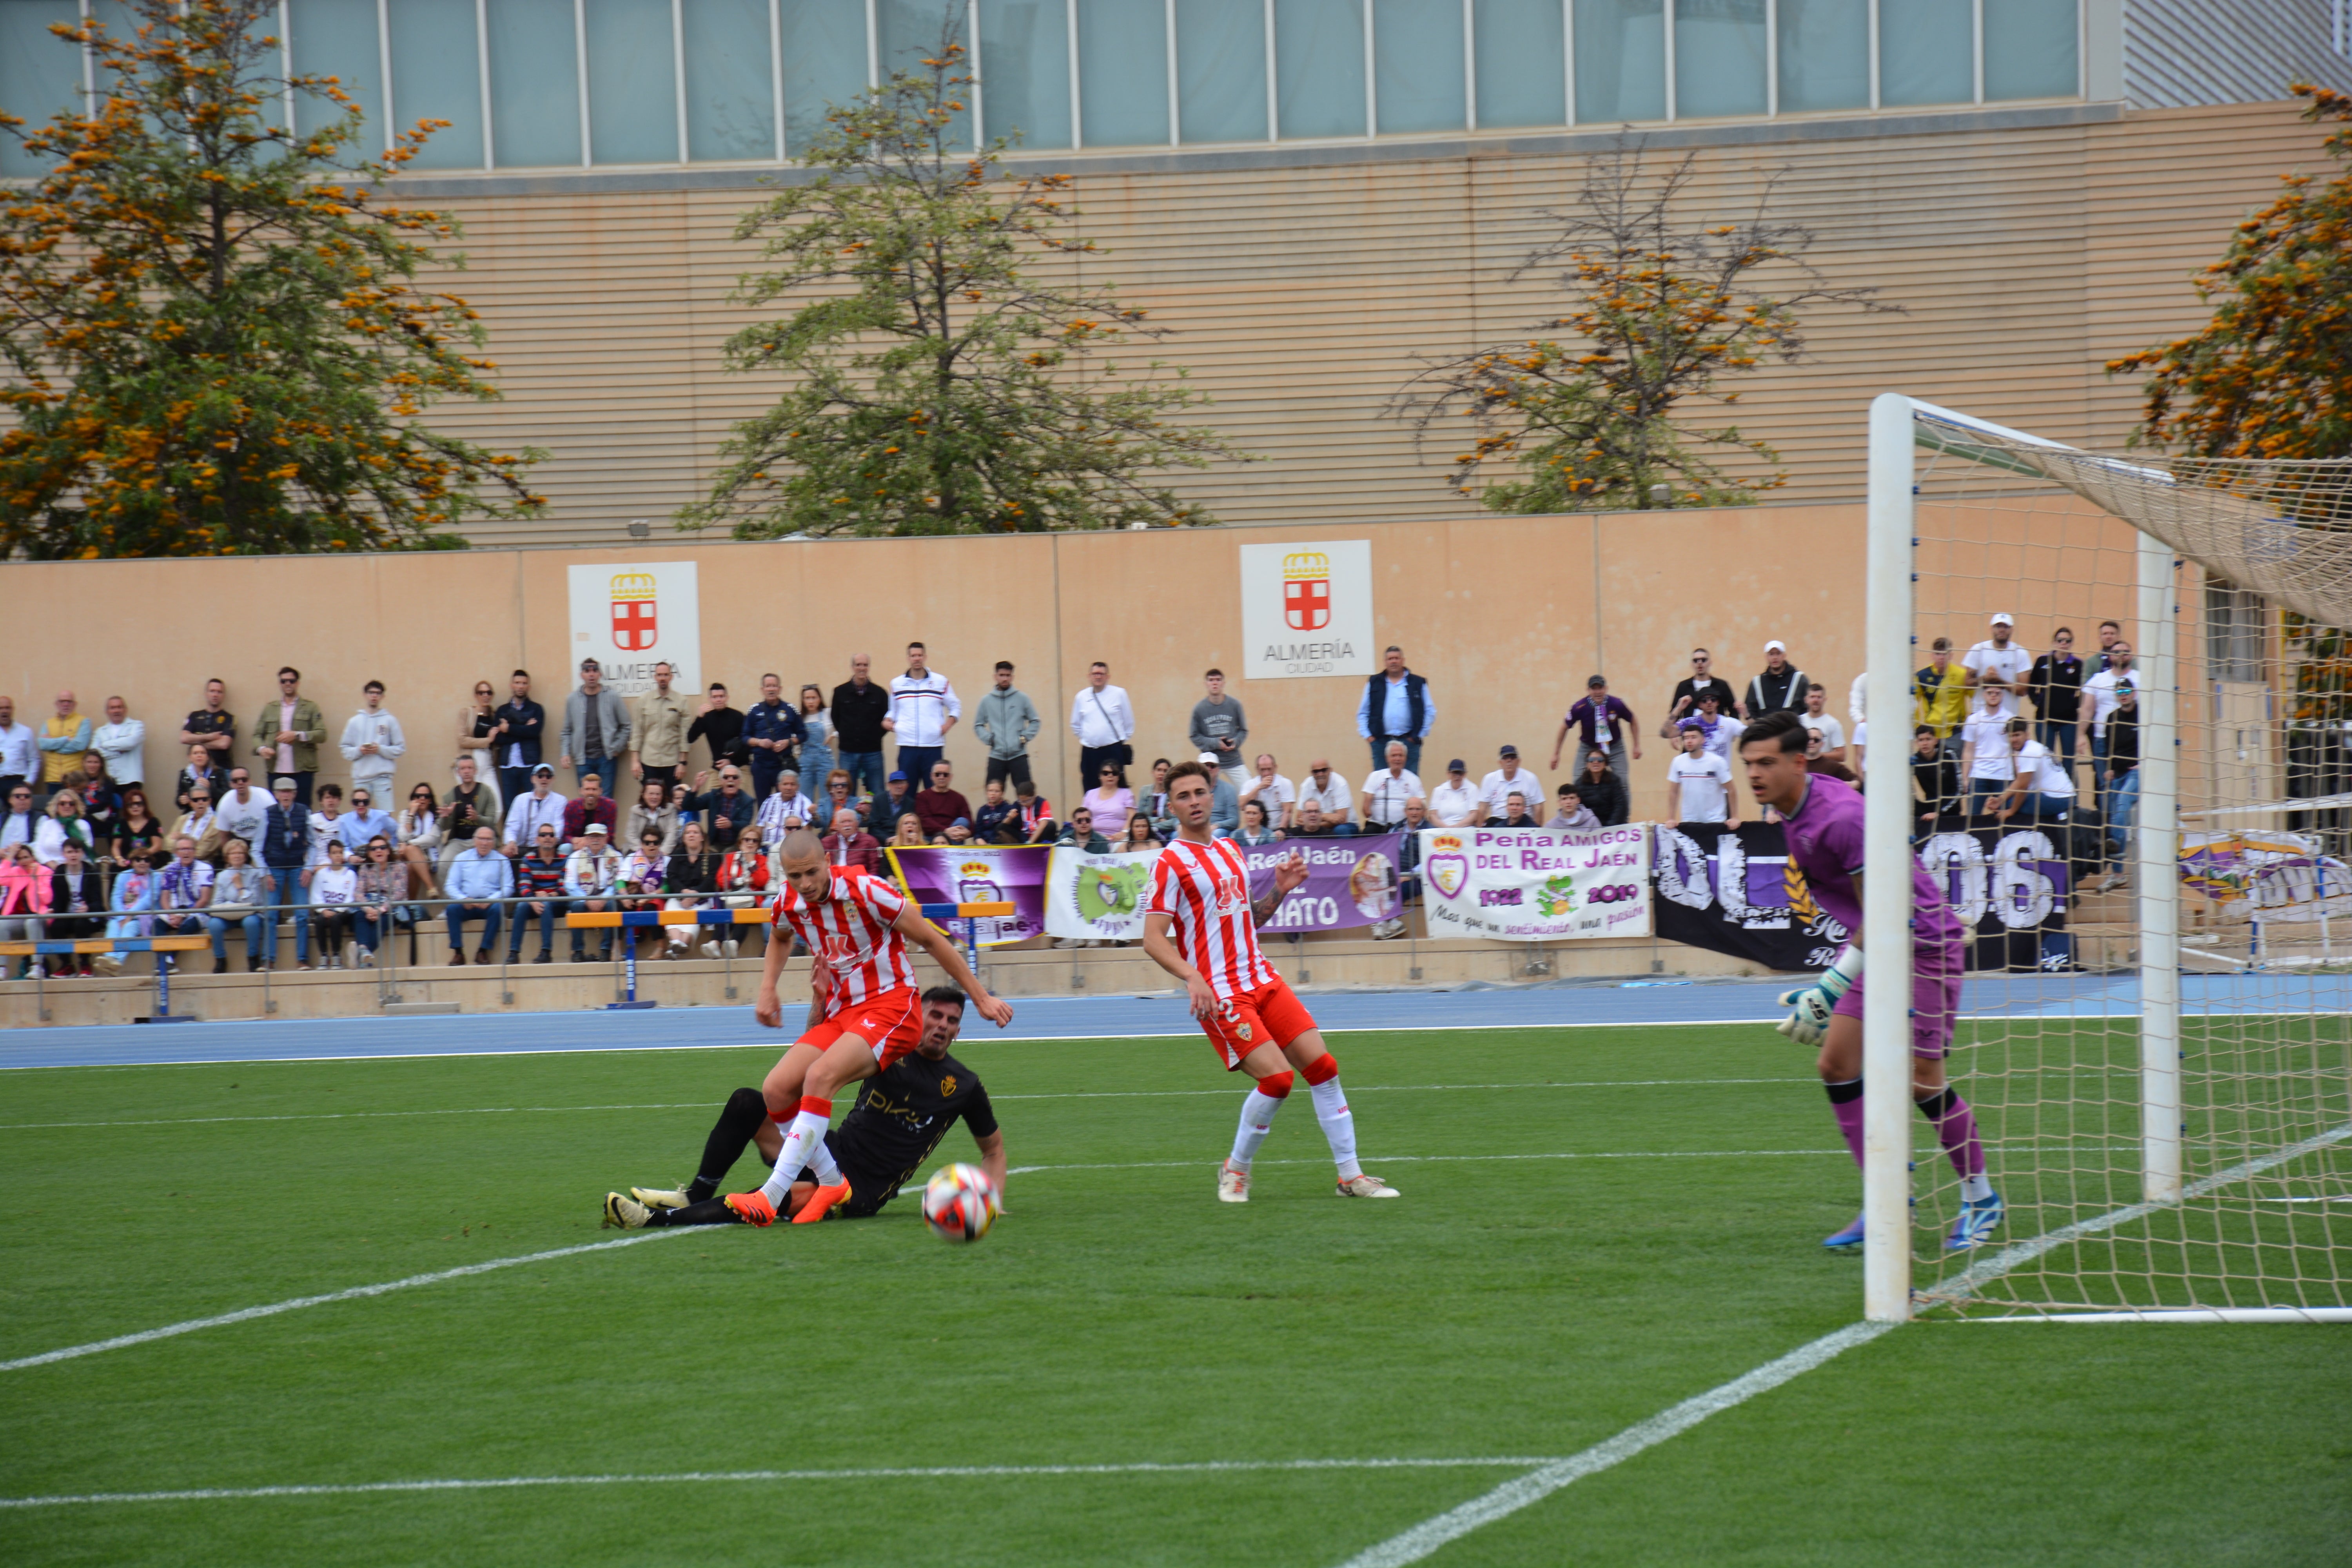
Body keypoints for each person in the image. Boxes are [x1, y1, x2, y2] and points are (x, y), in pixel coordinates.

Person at [1737, 710, 1998, 1251]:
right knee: (1836, 1065)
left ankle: (1982, 1198)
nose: (1754, 775)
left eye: (1766, 763)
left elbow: (1883, 913)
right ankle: (1888, 1198)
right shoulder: (1796, 804)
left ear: (1796, 762)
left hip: (1922, 945)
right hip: (1880, 946)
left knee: (1923, 1081)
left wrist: (1829, 989)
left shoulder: (1841, 820)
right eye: (1748, 764)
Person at [715, 826, 1013, 1228]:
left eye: (812, 873)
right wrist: (768, 989)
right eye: (795, 877)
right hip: (844, 1012)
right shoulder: (788, 902)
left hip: (893, 1007)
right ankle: (833, 1181)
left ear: (828, 863)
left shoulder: (866, 890)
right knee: (776, 1088)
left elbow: (931, 939)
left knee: (819, 1077)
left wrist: (981, 998)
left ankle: (771, 1195)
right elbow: (780, 939)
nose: (805, 884)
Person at [1142, 761, 1398, 1202]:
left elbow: (1249, 919)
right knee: (1278, 1081)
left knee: (1325, 1069)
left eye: (1200, 792)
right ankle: (1235, 1169)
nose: (1194, 801)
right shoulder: (1169, 862)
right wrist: (1192, 977)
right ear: (1171, 806)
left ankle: (1351, 1177)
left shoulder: (1229, 849)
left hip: (1262, 977)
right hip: (1221, 991)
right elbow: (1151, 939)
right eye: (1183, 796)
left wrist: (1281, 889)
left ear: (1212, 793)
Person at [604, 987, 1005, 1229]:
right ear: (917, 1015)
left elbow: (993, 1149)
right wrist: (820, 1002)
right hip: (831, 1148)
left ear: (959, 1028)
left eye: (953, 1020)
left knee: (770, 1198)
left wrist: (993, 1203)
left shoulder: (964, 1085)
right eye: (935, 1014)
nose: (943, 1025)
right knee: (748, 1101)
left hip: (861, 1188)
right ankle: (695, 1195)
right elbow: (818, 1062)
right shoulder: (887, 1046)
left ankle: (653, 1221)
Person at [2079, 639, 2138, 823]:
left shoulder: (2142, 678)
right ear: (2109, 656)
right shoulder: (2098, 680)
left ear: (2131, 655)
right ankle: (2109, 835)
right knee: (2107, 787)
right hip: (2103, 741)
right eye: (2116, 652)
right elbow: (2087, 709)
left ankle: (2121, 835)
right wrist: (2080, 735)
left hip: (2134, 743)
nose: (2121, 655)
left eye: (2125, 651)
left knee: (2128, 791)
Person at [255, 778, 312, 968]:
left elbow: (314, 844)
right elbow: (256, 848)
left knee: (303, 914)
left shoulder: (304, 812)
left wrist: (308, 868)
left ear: (295, 793)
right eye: (282, 792)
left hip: (297, 866)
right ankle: (268, 959)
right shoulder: (268, 814)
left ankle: (302, 959)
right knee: (270, 914)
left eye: (289, 791)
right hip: (275, 867)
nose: (285, 795)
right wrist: (266, 873)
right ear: (276, 794)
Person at [888, 641, 960, 787]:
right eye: (914, 656)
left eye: (920, 655)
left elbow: (955, 706)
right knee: (906, 792)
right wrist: (890, 723)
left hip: (933, 747)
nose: (917, 659)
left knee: (934, 791)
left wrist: (946, 726)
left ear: (925, 657)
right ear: (908, 658)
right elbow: (893, 712)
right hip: (907, 747)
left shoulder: (940, 681)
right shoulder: (897, 684)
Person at [1357, 645, 1437, 776]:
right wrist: (1369, 737)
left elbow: (1430, 711)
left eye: (1396, 658)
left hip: (1409, 742)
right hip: (1380, 743)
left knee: (1410, 782)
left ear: (1403, 660)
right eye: (1390, 659)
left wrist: (1418, 735)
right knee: (1382, 782)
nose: (1394, 661)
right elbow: (1363, 713)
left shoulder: (1418, 683)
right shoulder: (1374, 682)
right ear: (1385, 662)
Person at [252, 667, 327, 805]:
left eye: (292, 681)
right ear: (280, 684)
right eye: (284, 681)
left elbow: (322, 734)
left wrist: (297, 735)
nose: (288, 684)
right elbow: (257, 735)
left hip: (303, 769)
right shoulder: (270, 708)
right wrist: (262, 749)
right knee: (276, 810)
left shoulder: (310, 707)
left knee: (303, 809)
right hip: (275, 769)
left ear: (297, 683)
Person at [559, 658, 631, 797]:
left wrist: (617, 748)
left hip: (607, 758)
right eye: (587, 671)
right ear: (582, 675)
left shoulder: (612, 697)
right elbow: (566, 731)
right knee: (586, 801)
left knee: (606, 800)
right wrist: (565, 753)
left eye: (595, 671)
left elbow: (626, 726)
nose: (591, 675)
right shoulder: (573, 699)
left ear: (600, 674)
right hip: (583, 759)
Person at [444, 825, 511, 964]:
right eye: (481, 839)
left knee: (498, 910)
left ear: (494, 842)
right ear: (475, 841)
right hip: (467, 904)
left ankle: (483, 951)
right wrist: (464, 899)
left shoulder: (502, 861)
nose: (485, 843)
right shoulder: (461, 858)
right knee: (451, 909)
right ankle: (458, 953)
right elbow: (450, 886)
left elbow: (509, 887)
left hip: (489, 905)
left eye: (488, 840)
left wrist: (491, 900)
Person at [829, 653, 892, 801]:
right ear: (853, 667)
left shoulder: (880, 693)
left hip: (873, 752)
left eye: (865, 665)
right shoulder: (840, 692)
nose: (862, 668)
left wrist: (874, 737)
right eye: (859, 665)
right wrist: (847, 735)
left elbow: (886, 720)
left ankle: (876, 824)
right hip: (848, 752)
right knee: (845, 793)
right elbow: (835, 718)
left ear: (869, 667)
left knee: (877, 793)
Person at [1555, 675, 1640, 780]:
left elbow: (1633, 720)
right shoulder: (1579, 707)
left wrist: (1636, 745)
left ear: (1606, 689)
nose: (1598, 692)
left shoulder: (1617, 704)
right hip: (1588, 747)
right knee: (1577, 780)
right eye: (1594, 689)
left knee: (1622, 783)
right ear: (1588, 690)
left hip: (1615, 747)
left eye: (1600, 688)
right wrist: (1556, 754)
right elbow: (1564, 727)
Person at [2027, 626, 2085, 782]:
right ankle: (2048, 797)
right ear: (2054, 642)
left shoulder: (2078, 665)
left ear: (2072, 643)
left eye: (2068, 641)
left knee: (2069, 761)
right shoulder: (2042, 662)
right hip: (2045, 720)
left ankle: (2071, 801)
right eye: (2060, 640)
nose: (2064, 644)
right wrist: (2038, 701)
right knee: (2046, 760)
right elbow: (2032, 686)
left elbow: (2085, 690)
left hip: (2069, 721)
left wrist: (2074, 704)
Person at [211, 835, 277, 972]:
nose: (237, 856)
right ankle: (220, 960)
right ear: (227, 857)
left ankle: (252, 957)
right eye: (233, 853)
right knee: (214, 924)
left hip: (250, 914)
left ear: (246, 856)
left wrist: (240, 886)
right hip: (229, 915)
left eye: (241, 853)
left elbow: (255, 902)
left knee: (251, 923)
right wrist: (233, 905)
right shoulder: (222, 876)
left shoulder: (254, 873)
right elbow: (217, 902)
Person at [506, 822, 568, 964]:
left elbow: (565, 888)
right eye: (543, 835)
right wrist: (533, 900)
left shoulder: (564, 859)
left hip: (558, 902)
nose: (548, 838)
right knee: (521, 907)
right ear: (537, 840)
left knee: (545, 904)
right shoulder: (528, 859)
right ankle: (514, 953)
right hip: (535, 902)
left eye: (551, 835)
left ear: (556, 840)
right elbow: (523, 887)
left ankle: (546, 952)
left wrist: (549, 896)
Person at [973, 662, 1040, 793]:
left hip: (1018, 756)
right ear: (995, 676)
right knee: (993, 795)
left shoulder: (1022, 698)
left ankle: (1026, 815)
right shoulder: (986, 701)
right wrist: (990, 739)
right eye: (1002, 675)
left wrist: (1023, 738)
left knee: (1026, 794)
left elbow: (1035, 721)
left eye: (1008, 675)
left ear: (1012, 677)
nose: (1005, 679)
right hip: (996, 757)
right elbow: (978, 725)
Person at [2097, 686, 2141, 886]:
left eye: (2127, 692)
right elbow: (2110, 748)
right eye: (2120, 693)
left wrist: (2145, 762)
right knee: (2116, 818)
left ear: (2134, 693)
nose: (2124, 696)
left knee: (2123, 802)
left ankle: (2111, 848)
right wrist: (2109, 768)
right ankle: (2117, 874)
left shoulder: (2143, 713)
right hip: (2119, 773)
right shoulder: (2112, 718)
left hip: (2137, 771)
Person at [662, 819, 724, 958]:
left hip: (702, 899)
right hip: (679, 897)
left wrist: (696, 894)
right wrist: (683, 893)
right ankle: (677, 945)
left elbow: (711, 879)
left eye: (695, 833)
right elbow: (671, 876)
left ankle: (675, 949)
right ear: (684, 838)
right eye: (688, 833)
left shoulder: (712, 856)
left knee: (693, 918)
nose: (692, 835)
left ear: (702, 837)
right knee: (670, 913)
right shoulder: (677, 854)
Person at [151, 832, 215, 966]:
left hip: (198, 910)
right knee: (157, 925)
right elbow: (165, 898)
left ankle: (166, 961)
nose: (186, 852)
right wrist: (172, 914)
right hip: (174, 910)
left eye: (189, 849)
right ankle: (167, 961)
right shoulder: (170, 869)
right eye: (182, 849)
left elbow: (204, 900)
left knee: (189, 925)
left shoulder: (205, 868)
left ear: (195, 851)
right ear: (176, 852)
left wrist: (184, 914)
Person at [338, 681, 407, 807]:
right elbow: (345, 749)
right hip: (361, 777)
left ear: (383, 697)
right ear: (365, 695)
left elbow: (400, 748)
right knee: (360, 815)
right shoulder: (354, 721)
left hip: (383, 777)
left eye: (378, 693)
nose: (374, 696)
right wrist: (360, 750)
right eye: (371, 693)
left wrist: (380, 749)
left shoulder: (390, 720)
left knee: (385, 815)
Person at [42, 837, 104, 976]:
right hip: (68, 914)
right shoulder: (59, 872)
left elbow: (98, 902)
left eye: (77, 852)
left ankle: (85, 964)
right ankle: (67, 965)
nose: (73, 855)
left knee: (81, 924)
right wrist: (53, 909)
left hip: (89, 916)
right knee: (55, 926)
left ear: (82, 853)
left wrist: (88, 908)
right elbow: (57, 900)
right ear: (64, 855)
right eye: (70, 852)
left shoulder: (91, 872)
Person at [564, 821, 623, 963]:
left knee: (613, 906)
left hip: (607, 897)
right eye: (592, 837)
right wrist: (587, 900)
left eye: (599, 836)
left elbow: (618, 882)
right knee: (576, 907)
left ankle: (605, 951)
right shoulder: (575, 857)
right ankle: (578, 951)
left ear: (606, 838)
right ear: (586, 839)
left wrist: (603, 899)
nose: (595, 840)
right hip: (583, 897)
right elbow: (570, 884)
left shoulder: (616, 857)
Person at [631, 661, 693, 793]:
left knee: (673, 800)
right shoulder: (644, 701)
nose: (663, 678)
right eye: (660, 675)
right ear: (655, 677)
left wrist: (683, 763)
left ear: (671, 677)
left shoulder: (681, 701)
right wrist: (635, 761)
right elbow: (637, 732)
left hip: (672, 761)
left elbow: (685, 736)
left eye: (666, 675)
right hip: (649, 761)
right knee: (651, 799)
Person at [1956, 684, 2016, 819]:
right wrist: (1965, 778)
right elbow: (1968, 750)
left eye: (1997, 693)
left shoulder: (2011, 719)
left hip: (2004, 776)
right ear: (1984, 695)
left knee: (2004, 819)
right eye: (1990, 693)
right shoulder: (1973, 720)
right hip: (1979, 775)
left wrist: (2017, 777)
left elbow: (2016, 751)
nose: (1993, 696)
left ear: (2003, 695)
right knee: (1972, 819)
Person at [437, 755, 502, 877]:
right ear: (458, 772)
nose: (467, 771)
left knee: (486, 867)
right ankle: (448, 896)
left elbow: (491, 821)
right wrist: (446, 817)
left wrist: (478, 818)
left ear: (475, 771)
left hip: (482, 840)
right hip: (458, 841)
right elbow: (444, 827)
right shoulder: (450, 796)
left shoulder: (487, 792)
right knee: (443, 864)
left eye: (470, 768)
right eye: (463, 769)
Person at [489, 670, 546, 808]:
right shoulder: (502, 710)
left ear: (529, 687)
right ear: (511, 685)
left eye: (524, 683)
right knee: (510, 806)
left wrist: (509, 729)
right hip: (507, 765)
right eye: (518, 683)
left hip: (530, 766)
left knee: (533, 806)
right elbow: (499, 738)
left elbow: (535, 732)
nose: (521, 686)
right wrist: (524, 728)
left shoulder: (536, 709)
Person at [352, 836, 411, 967]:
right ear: (369, 853)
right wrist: (368, 909)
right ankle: (363, 954)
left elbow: (400, 893)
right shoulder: (365, 868)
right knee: (359, 915)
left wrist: (381, 910)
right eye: (374, 849)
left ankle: (361, 953)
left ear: (389, 851)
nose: (378, 851)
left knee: (383, 921)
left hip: (392, 906)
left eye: (382, 848)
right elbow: (358, 892)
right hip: (370, 903)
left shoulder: (399, 867)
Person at [743, 672, 803, 801]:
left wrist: (788, 742)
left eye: (774, 686)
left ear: (780, 689)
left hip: (782, 766)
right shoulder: (754, 710)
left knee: (786, 804)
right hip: (761, 766)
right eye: (768, 686)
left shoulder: (790, 709)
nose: (771, 689)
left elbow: (803, 735)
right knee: (763, 805)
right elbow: (745, 737)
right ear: (762, 690)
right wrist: (759, 742)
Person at [1962, 612, 2032, 719]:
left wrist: (1999, 681)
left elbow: (2023, 691)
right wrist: (1985, 679)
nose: (2002, 630)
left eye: (2006, 627)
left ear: (2012, 630)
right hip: (1980, 714)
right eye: (1998, 626)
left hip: (2009, 716)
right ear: (1992, 629)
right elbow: (1967, 683)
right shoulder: (1978, 650)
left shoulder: (2021, 653)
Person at [1665, 722, 1735, 825]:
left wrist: (1735, 817)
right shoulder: (1678, 762)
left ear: (1703, 740)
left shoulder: (1717, 762)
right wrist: (1671, 818)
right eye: (1686, 738)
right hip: (1689, 820)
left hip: (1715, 820)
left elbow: (1731, 790)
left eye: (1694, 737)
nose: (1689, 741)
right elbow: (1674, 792)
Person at [717, 822, 773, 950]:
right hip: (731, 896)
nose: (750, 843)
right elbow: (721, 879)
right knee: (727, 909)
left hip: (752, 900)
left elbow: (762, 880)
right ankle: (715, 943)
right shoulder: (731, 857)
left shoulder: (763, 860)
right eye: (747, 840)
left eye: (755, 841)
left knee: (743, 907)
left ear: (759, 844)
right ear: (740, 843)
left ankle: (734, 943)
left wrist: (751, 862)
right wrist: (744, 881)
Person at [1191, 669, 1249, 787]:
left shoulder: (1235, 705)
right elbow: (1194, 736)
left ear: (1223, 683)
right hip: (1209, 762)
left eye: (1218, 680)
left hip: (1233, 759)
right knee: (1201, 789)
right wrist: (1216, 743)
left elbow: (1243, 730)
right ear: (1206, 684)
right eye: (1211, 680)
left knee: (1249, 788)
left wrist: (1236, 742)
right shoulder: (1199, 709)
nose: (1215, 683)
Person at [0, 842, 49, 979]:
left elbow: (47, 898)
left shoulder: (45, 871)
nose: (23, 861)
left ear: (33, 857)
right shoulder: (16, 871)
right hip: (20, 917)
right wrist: (9, 857)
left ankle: (37, 967)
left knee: (32, 922)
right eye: (20, 859)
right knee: (2, 924)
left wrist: (35, 879)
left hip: (40, 915)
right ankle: (2, 968)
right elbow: (1, 879)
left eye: (26, 857)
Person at [308, 838, 359, 969]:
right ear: (329, 856)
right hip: (325, 910)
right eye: (334, 853)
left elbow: (351, 898)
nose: (338, 856)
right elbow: (316, 896)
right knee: (319, 921)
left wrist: (337, 911)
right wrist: (324, 911)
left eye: (340, 853)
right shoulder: (321, 875)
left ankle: (337, 955)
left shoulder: (351, 874)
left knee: (336, 919)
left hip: (343, 912)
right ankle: (324, 956)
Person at [1912, 638, 1969, 753]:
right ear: (1932, 656)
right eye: (1938, 654)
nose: (1942, 657)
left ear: (1951, 655)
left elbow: (1976, 699)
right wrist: (1917, 727)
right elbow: (1912, 703)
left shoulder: (1962, 675)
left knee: (1955, 770)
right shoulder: (1922, 676)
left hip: (1956, 733)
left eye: (1945, 653)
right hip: (1931, 735)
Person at [684, 765, 753, 851]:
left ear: (740, 781)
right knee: (709, 856)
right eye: (726, 777)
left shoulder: (747, 801)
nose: (730, 780)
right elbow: (688, 806)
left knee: (727, 854)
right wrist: (696, 787)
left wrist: (731, 825)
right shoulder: (713, 796)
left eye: (735, 777)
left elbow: (745, 824)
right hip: (714, 844)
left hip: (737, 844)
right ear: (721, 781)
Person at [1911, 726, 1963, 839]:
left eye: (1928, 739)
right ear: (1916, 743)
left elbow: (1959, 790)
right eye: (1921, 740)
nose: (1925, 743)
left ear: (1936, 740)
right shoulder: (1914, 762)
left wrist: (1939, 813)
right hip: (1925, 817)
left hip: (1949, 815)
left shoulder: (1948, 756)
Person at [502, 764, 568, 853]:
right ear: (533, 779)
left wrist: (545, 840)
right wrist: (511, 842)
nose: (544, 779)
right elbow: (512, 826)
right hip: (524, 847)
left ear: (553, 780)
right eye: (540, 776)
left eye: (548, 777)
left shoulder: (560, 800)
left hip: (548, 847)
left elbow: (559, 826)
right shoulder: (521, 799)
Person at [688, 682, 749, 777]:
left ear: (727, 698)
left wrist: (731, 761)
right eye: (715, 697)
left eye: (721, 696)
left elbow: (748, 744)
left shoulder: (738, 717)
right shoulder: (706, 718)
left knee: (740, 791)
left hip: (739, 767)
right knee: (709, 792)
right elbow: (690, 738)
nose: (719, 700)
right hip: (717, 769)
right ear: (710, 699)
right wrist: (699, 718)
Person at [1669, 648, 1744, 724]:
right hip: (1691, 733)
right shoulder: (1683, 686)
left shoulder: (1722, 685)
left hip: (1717, 732)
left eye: (1704, 660)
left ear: (1710, 663)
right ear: (1692, 664)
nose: (1700, 663)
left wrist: (1728, 730)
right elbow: (1674, 713)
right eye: (1696, 660)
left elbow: (1734, 711)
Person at [394, 781, 443, 896]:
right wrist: (411, 814)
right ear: (413, 799)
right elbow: (403, 836)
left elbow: (433, 838)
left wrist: (408, 844)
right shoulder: (405, 814)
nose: (422, 799)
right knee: (410, 851)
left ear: (430, 800)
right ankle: (431, 888)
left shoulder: (437, 816)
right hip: (404, 855)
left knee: (411, 861)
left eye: (426, 797)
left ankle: (411, 904)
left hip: (429, 855)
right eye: (418, 796)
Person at [178, 678, 236, 771]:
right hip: (197, 770)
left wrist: (196, 742)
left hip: (222, 769)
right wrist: (210, 737)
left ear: (223, 696)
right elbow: (184, 738)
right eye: (212, 691)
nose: (215, 695)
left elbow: (224, 744)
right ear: (206, 694)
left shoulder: (230, 718)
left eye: (219, 692)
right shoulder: (194, 716)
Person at [1744, 641, 1808, 718]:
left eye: (1778, 654)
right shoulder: (1757, 682)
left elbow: (1807, 708)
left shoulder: (1799, 679)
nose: (1775, 657)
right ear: (1767, 657)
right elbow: (1751, 709)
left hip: (1792, 728)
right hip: (1765, 729)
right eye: (1771, 654)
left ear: (1784, 656)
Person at [1478, 746, 1542, 822]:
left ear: (1519, 761)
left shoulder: (1531, 778)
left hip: (1523, 822)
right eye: (1505, 758)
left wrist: (1537, 831)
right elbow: (1482, 809)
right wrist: (1480, 831)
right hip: (1497, 822)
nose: (1509, 761)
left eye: (1513, 758)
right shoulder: (1489, 779)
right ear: (1500, 762)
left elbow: (1538, 809)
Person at [213, 765, 271, 851]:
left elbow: (277, 823)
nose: (240, 783)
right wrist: (228, 856)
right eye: (236, 781)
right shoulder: (225, 803)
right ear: (231, 784)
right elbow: (223, 835)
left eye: (244, 780)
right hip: (240, 842)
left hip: (264, 840)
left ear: (250, 782)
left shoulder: (265, 797)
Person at [93, 695, 145, 789]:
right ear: (107, 712)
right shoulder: (100, 732)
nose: (116, 711)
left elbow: (130, 743)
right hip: (108, 781)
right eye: (113, 708)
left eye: (119, 707)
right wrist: (120, 750)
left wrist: (104, 745)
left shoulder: (136, 726)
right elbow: (95, 754)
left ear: (125, 710)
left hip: (131, 781)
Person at [791, 684, 833, 800]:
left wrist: (834, 735)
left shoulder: (828, 713)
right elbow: (796, 740)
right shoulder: (799, 718)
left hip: (825, 761)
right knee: (804, 798)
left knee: (827, 797)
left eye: (814, 698)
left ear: (820, 699)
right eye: (807, 698)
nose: (811, 701)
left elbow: (845, 725)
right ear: (803, 700)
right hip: (805, 761)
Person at [37, 788, 99, 866]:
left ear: (76, 806)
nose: (67, 806)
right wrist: (52, 865)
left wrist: (67, 868)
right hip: (50, 868)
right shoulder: (47, 824)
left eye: (72, 804)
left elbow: (86, 851)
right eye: (63, 803)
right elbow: (38, 849)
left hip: (77, 868)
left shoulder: (83, 825)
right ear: (57, 806)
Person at [913, 760, 972, 840]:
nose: (942, 777)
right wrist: (945, 831)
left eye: (945, 775)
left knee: (963, 821)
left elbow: (970, 821)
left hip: (953, 837)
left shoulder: (959, 798)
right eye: (938, 774)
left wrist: (968, 833)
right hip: (931, 837)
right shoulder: (922, 797)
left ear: (951, 777)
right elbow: (924, 821)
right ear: (932, 776)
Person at [1237, 754, 1296, 832]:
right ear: (1257, 769)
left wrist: (1281, 830)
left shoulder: (1285, 783)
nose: (1266, 774)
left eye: (1269, 769)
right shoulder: (1250, 784)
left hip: (1279, 828)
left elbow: (1288, 811)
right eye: (1263, 770)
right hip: (1257, 830)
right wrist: (1259, 787)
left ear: (1275, 768)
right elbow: (1242, 805)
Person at [338, 783, 397, 860]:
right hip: (357, 857)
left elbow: (396, 831)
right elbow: (343, 845)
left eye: (365, 802)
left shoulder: (381, 816)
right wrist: (350, 857)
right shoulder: (344, 820)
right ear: (352, 803)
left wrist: (390, 848)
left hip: (378, 855)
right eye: (357, 802)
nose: (361, 805)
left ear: (369, 803)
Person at [626, 777, 682, 858]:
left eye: (658, 794)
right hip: (639, 851)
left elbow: (672, 834)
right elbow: (631, 835)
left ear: (663, 796)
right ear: (644, 795)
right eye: (651, 794)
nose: (654, 797)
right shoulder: (635, 811)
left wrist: (662, 853)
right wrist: (643, 852)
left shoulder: (671, 809)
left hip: (664, 852)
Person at [1297, 759, 1355, 835]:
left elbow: (1342, 820)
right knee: (1298, 830)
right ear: (1312, 773)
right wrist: (1327, 817)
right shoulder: (1306, 785)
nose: (1320, 774)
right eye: (1316, 772)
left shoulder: (1340, 784)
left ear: (1330, 771)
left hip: (1347, 825)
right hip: (1321, 826)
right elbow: (1299, 819)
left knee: (1341, 830)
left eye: (1324, 770)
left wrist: (1313, 821)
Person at [561, 769, 618, 846]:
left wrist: (587, 842)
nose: (591, 793)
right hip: (578, 845)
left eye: (594, 789)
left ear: (600, 791)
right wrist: (573, 840)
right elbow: (566, 835)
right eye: (587, 789)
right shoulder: (571, 807)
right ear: (581, 791)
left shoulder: (610, 806)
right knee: (565, 848)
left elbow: (610, 836)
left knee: (611, 849)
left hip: (601, 845)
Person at [1082, 760, 1135, 839]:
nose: (1110, 776)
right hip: (1093, 837)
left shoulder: (1127, 793)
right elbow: (1083, 816)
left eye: (1115, 773)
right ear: (1100, 776)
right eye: (1106, 773)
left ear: (1119, 776)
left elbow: (1132, 816)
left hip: (1120, 838)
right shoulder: (1090, 794)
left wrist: (1124, 832)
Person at [459, 680, 500, 781]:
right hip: (471, 761)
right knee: (473, 796)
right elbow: (462, 740)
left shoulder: (494, 716)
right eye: (481, 693)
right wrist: (488, 740)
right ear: (476, 695)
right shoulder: (467, 713)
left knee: (494, 796)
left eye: (489, 693)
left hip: (489, 761)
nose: (485, 696)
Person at [755, 770, 816, 837]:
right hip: (767, 846)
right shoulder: (769, 800)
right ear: (779, 786)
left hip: (791, 846)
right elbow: (760, 826)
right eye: (785, 784)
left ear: (798, 787)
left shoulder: (804, 802)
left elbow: (806, 829)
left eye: (793, 784)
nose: (789, 788)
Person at [1576, 750, 1629, 828]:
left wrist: (1610, 826)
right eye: (1591, 760)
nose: (1596, 762)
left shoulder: (1614, 780)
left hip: (1612, 827)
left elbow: (1620, 806)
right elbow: (1579, 808)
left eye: (1600, 760)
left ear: (1606, 764)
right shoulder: (1579, 784)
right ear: (1587, 764)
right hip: (1589, 828)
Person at [822, 807, 882, 873]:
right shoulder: (826, 843)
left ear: (857, 823)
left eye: (850, 821)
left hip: (859, 882)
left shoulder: (870, 842)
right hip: (834, 881)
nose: (847, 825)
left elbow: (874, 869)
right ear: (837, 826)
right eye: (843, 822)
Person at [1427, 758, 1482, 829]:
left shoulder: (1473, 789)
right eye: (1454, 773)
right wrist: (1446, 828)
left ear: (1465, 775)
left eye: (1460, 773)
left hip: (1465, 829)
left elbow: (1474, 814)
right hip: (1442, 829)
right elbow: (1433, 815)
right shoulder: (1439, 790)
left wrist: (1456, 827)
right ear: (1448, 774)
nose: (1458, 776)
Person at [1798, 684, 1847, 763]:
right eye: (1812, 697)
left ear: (1825, 700)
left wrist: (1817, 755)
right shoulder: (1798, 722)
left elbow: (1842, 755)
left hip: (1824, 770)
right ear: (1806, 700)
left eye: (1819, 697)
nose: (1816, 700)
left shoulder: (1833, 724)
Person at [174, 742, 227, 814]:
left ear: (208, 757)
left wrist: (211, 788)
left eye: (203, 753)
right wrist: (182, 801)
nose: (199, 756)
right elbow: (179, 801)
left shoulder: (218, 772)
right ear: (190, 757)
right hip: (192, 813)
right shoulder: (185, 774)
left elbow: (226, 796)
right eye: (195, 753)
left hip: (215, 812)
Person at [0, 695, 36, 800]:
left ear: (13, 710)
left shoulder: (25, 732)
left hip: (18, 783)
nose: (4, 711)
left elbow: (34, 759)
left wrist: (29, 782)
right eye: (1, 708)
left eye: (7, 708)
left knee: (19, 815)